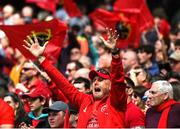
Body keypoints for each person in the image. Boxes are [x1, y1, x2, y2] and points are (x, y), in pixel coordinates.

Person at [23, 29, 127, 128]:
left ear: (110, 87)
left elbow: (118, 80)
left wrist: (114, 53)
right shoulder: (84, 101)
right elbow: (63, 84)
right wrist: (42, 59)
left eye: (101, 80)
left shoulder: (116, 101)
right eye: (94, 80)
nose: (96, 82)